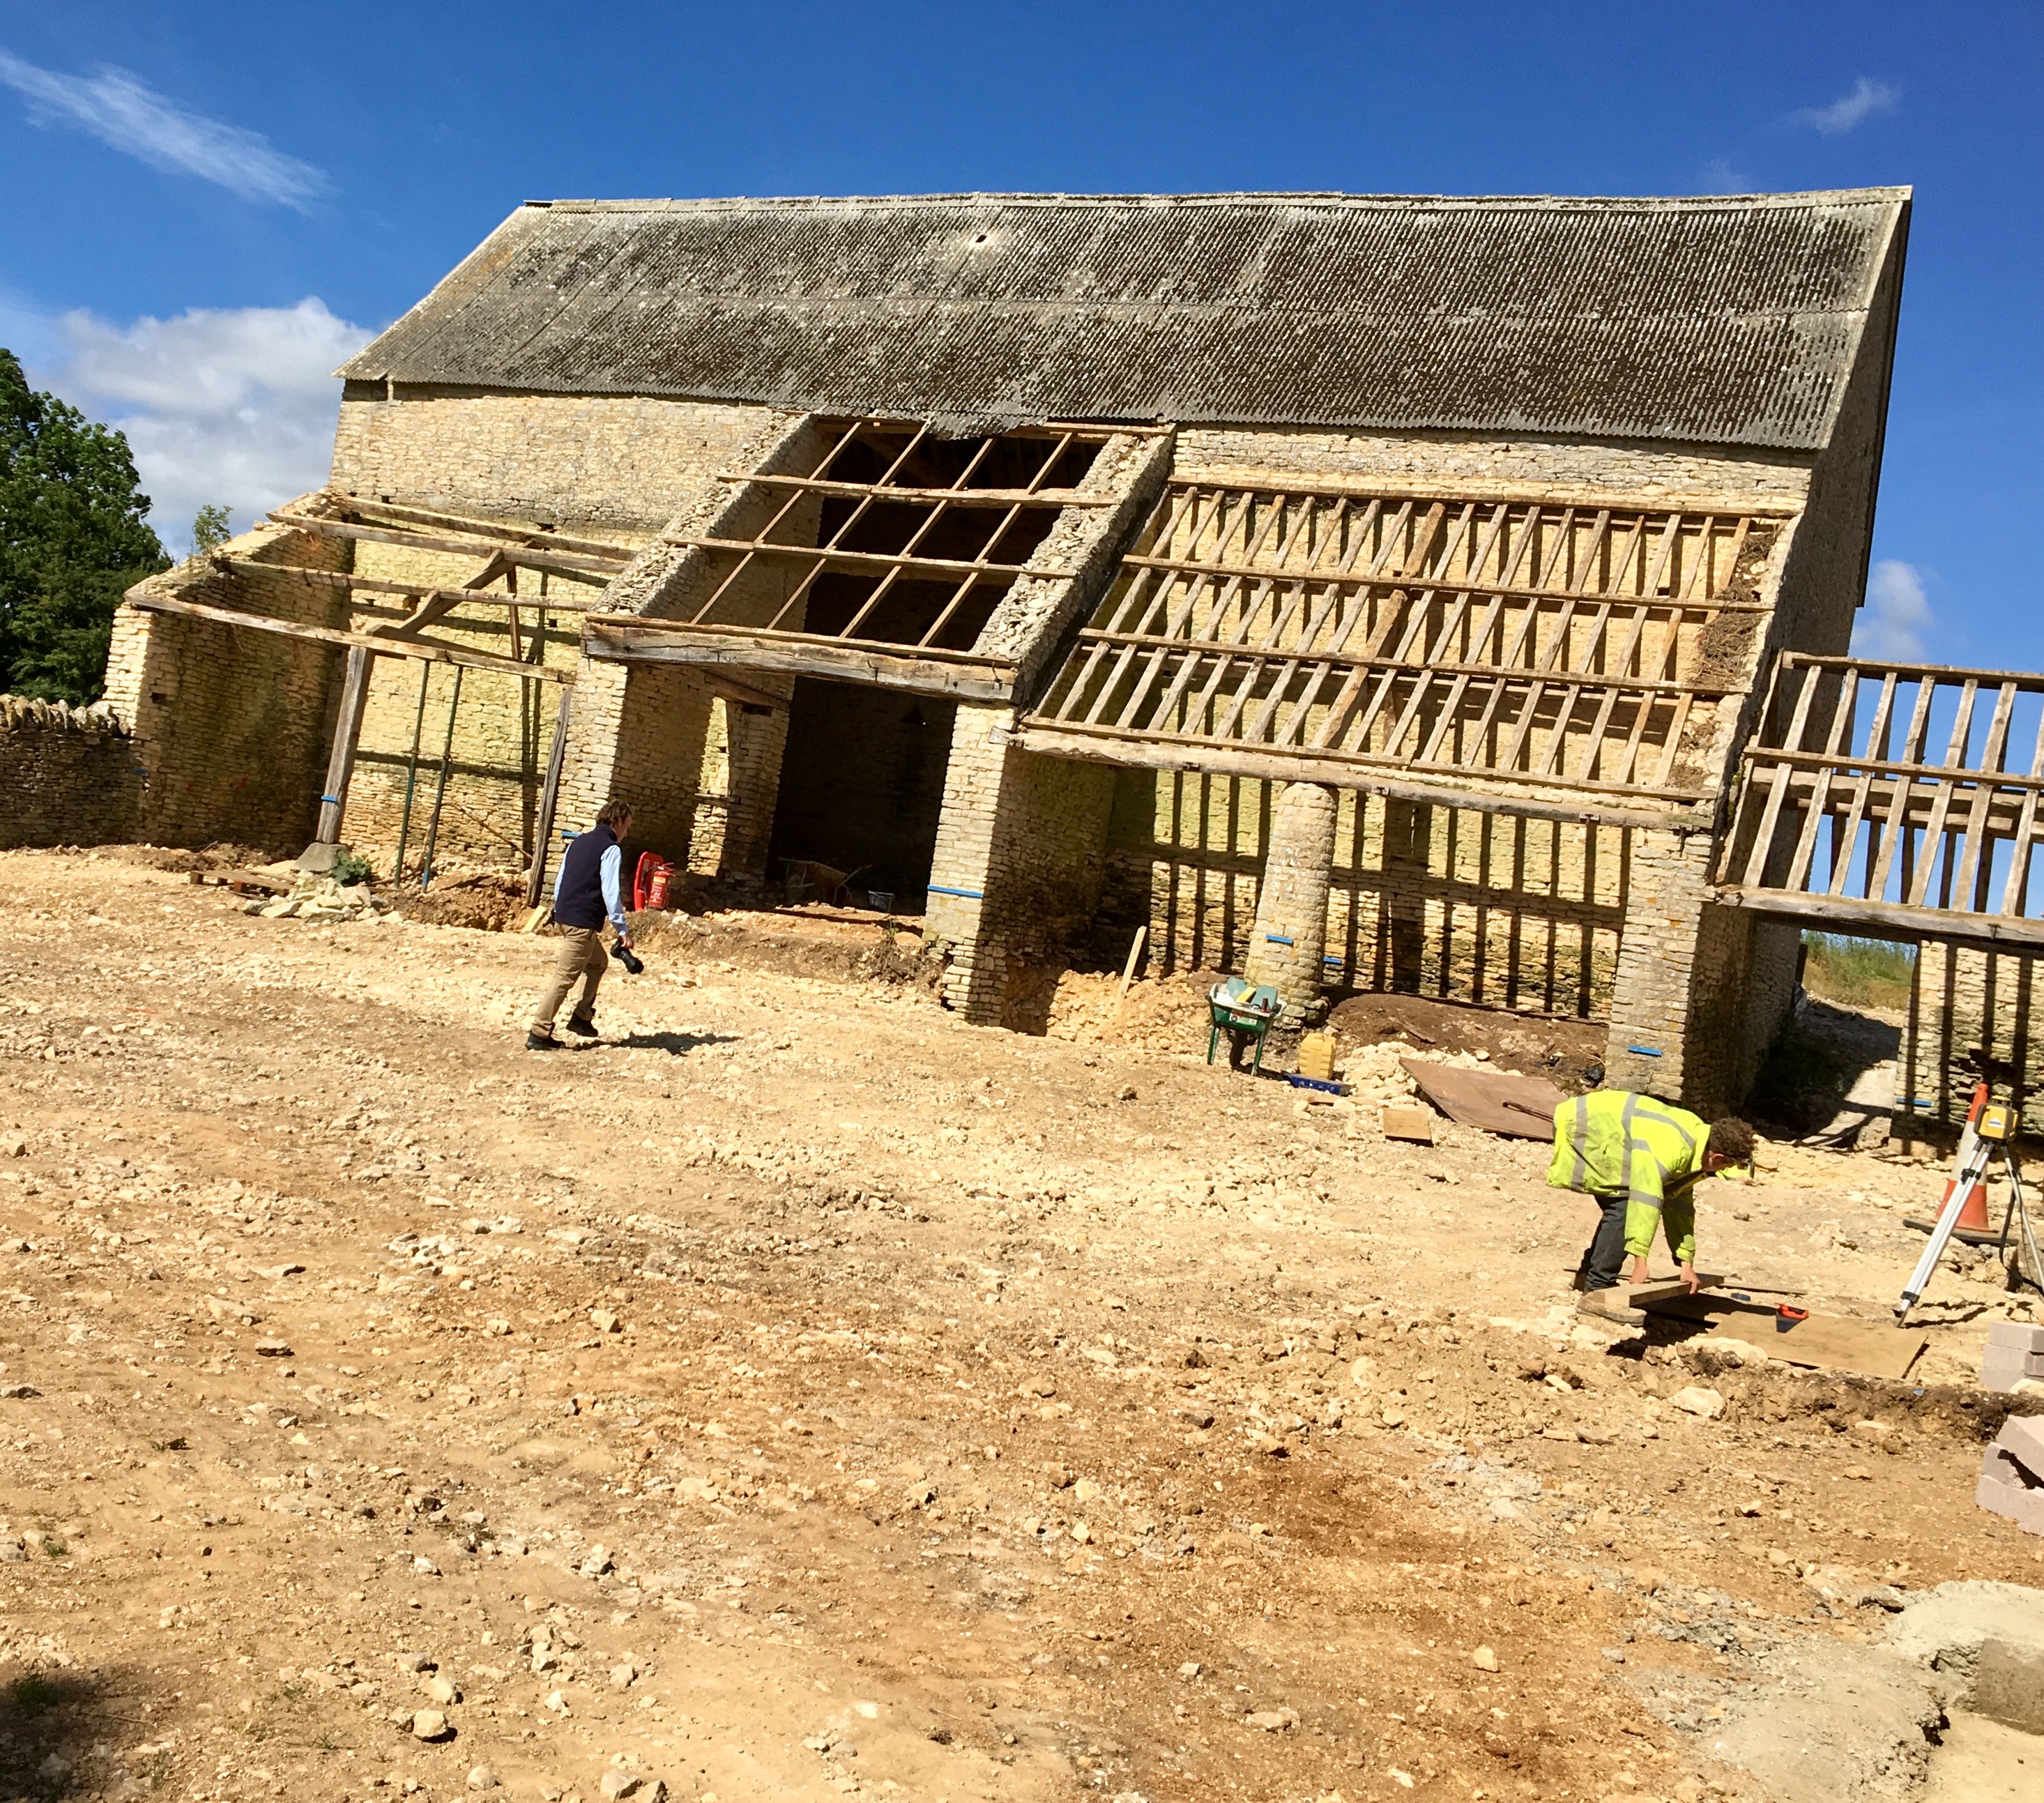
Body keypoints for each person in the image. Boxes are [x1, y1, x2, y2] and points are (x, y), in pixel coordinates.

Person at [1546, 1090, 1753, 1304]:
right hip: (1587, 1127)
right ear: (1717, 1156)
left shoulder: (1698, 1143)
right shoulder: (1672, 1147)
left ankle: (1587, 1276)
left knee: (1620, 1207)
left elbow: (1679, 1206)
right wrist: (1640, 1261)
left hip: (1611, 1132)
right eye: (1726, 1166)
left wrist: (1686, 1263)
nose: (1721, 1172)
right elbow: (1645, 1199)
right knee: (1624, 1208)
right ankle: (1597, 1288)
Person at [526, 800, 634, 1051]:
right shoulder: (610, 849)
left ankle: (582, 1017)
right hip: (582, 923)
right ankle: (539, 1031)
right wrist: (622, 929)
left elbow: (561, 878)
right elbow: (611, 892)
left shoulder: (578, 842)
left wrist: (560, 908)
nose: (626, 833)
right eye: (627, 827)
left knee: (598, 963)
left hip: (565, 917)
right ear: (617, 822)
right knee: (564, 977)